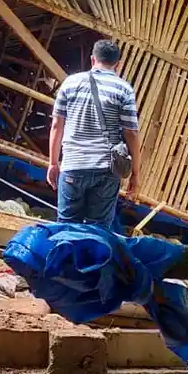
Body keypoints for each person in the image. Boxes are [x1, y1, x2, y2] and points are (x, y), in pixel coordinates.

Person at [47, 38, 142, 230]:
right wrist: (136, 174)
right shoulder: (124, 89)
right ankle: (91, 260)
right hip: (106, 170)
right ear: (118, 64)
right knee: (97, 229)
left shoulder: (70, 83)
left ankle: (65, 259)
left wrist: (53, 163)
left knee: (65, 227)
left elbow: (57, 125)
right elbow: (131, 132)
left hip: (73, 165)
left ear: (92, 60)